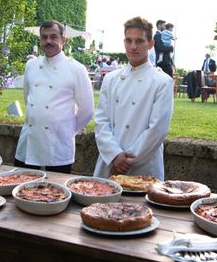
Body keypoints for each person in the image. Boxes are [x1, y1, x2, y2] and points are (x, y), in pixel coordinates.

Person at [93, 16, 174, 180]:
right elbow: (101, 121)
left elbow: (157, 129)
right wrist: (114, 155)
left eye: (139, 41)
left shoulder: (162, 82)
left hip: (144, 166)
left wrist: (128, 159)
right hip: (110, 161)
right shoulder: (111, 79)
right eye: (129, 41)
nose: (133, 47)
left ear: (150, 44)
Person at [14, 20, 94, 174]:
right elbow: (27, 98)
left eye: (53, 37)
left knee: (56, 192)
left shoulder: (76, 69)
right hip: (29, 140)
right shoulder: (30, 66)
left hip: (58, 143)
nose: (48, 41)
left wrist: (67, 130)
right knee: (21, 187)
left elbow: (87, 110)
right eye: (44, 37)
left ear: (63, 40)